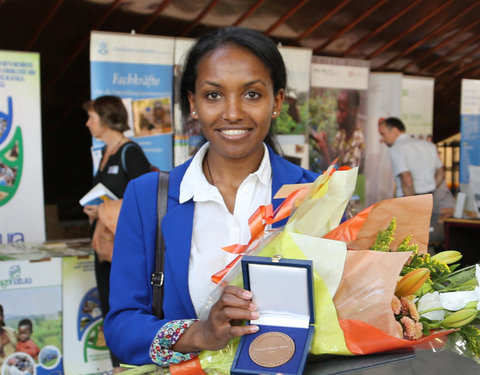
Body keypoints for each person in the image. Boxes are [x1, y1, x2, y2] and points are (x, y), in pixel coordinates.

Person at [104, 27, 319, 367]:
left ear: (277, 102)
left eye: (252, 95)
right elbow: (121, 327)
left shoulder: (315, 194)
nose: (232, 113)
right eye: (214, 96)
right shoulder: (148, 198)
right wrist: (200, 334)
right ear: (193, 102)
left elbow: (346, 309)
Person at [82, 95, 151, 371]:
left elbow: (145, 199)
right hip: (104, 248)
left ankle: (129, 366)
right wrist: (96, 210)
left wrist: (106, 211)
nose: (87, 123)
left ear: (107, 118)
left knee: (123, 311)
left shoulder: (129, 152)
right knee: (110, 311)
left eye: (92, 117)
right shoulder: (104, 153)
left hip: (124, 250)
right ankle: (117, 367)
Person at [377, 117, 444, 197]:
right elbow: (441, 173)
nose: (382, 139)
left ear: (395, 131)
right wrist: (429, 190)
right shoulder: (429, 146)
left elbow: (407, 180)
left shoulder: (396, 148)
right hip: (431, 198)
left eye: (383, 134)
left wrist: (411, 204)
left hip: (410, 199)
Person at [311, 89, 365, 169]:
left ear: (353, 111)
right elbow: (335, 157)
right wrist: (326, 143)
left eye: (342, 110)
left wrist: (325, 152)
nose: (337, 114)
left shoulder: (359, 142)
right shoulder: (342, 134)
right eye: (337, 110)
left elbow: (345, 179)